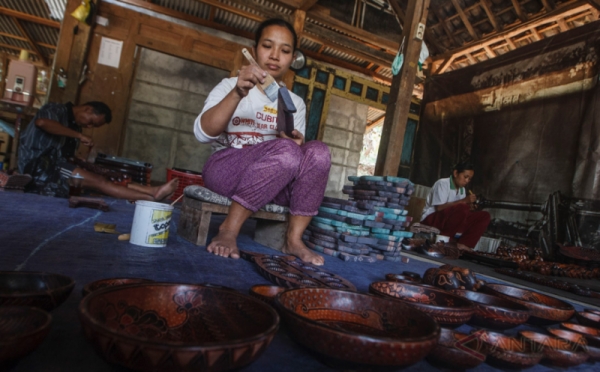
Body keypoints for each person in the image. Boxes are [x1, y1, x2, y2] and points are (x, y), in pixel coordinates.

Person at [194, 18, 331, 265]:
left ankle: (294, 239)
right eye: (268, 46)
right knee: (287, 152)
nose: (275, 55)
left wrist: (293, 141)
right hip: (226, 169)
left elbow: (294, 156)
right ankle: (229, 230)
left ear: (292, 58)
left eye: (285, 50)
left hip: (273, 182)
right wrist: (237, 92)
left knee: (318, 151)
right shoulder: (229, 85)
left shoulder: (294, 102)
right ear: (255, 49)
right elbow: (203, 134)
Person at [18, 101, 178, 200]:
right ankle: (152, 199)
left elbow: (66, 155)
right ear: (87, 109)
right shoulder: (56, 109)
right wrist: (79, 135)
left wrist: (81, 160)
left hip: (55, 165)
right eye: (91, 123)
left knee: (107, 176)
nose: (89, 127)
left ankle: (153, 191)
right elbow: (41, 123)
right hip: (38, 166)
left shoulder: (73, 125)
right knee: (100, 182)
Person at [421, 162, 490, 251]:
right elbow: (439, 208)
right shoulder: (442, 183)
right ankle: (445, 241)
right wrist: (464, 201)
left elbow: (460, 211)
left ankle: (464, 244)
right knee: (463, 207)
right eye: (465, 177)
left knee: (484, 216)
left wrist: (470, 207)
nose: (467, 181)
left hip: (449, 220)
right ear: (456, 173)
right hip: (432, 218)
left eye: (469, 179)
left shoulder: (462, 190)